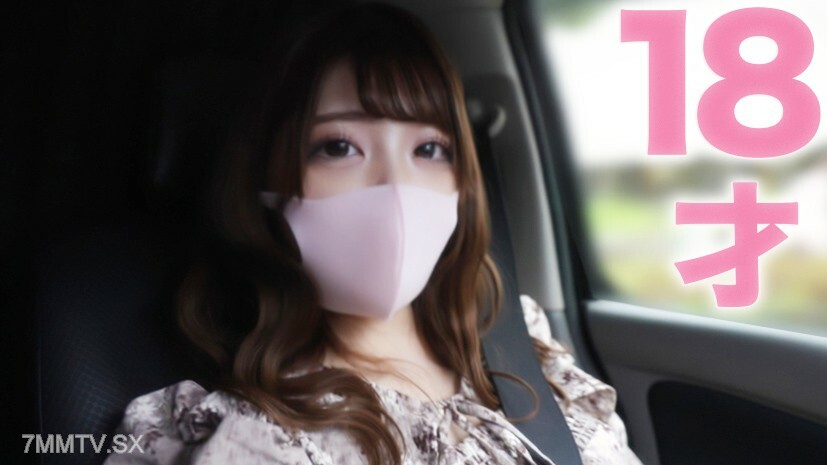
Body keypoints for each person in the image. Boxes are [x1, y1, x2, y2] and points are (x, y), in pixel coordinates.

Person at [103, 3, 644, 464]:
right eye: (339, 147)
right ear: (267, 183)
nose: (396, 187)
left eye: (429, 149)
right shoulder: (261, 438)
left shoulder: (519, 338)